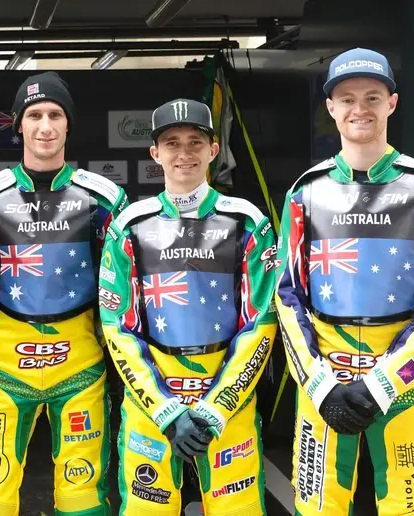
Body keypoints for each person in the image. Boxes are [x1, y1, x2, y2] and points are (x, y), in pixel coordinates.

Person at [274, 48, 414, 515]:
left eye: (372, 97)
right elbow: (286, 295)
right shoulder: (305, 191)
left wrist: (383, 382)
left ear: (392, 104)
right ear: (330, 107)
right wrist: (318, 383)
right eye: (347, 98)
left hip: (404, 386)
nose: (359, 108)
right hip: (325, 382)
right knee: (317, 509)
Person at [0, 71, 127, 516]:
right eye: (34, 116)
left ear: (69, 124)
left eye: (55, 115)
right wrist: (5, 335)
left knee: (83, 494)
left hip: (81, 365)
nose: (45, 126)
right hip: (7, 366)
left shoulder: (105, 199)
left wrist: (93, 337)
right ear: (18, 125)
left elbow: (119, 289)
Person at [99, 98, 278, 514]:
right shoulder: (130, 225)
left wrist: (217, 407)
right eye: (172, 143)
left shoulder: (247, 221)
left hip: (228, 404)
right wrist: (166, 411)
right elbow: (116, 325)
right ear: (155, 153)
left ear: (214, 150)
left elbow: (262, 322)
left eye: (195, 142)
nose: (184, 153)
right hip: (151, 406)